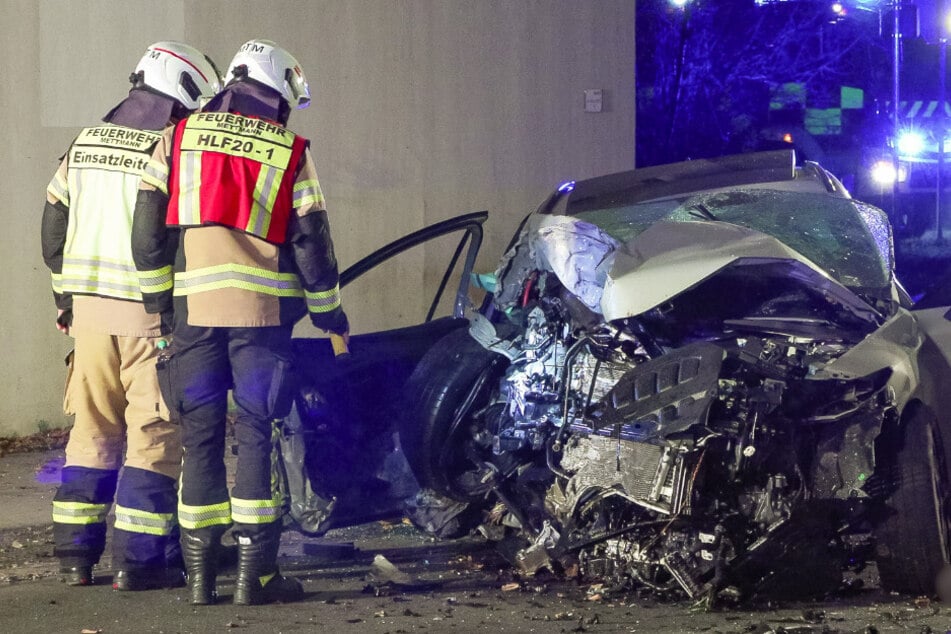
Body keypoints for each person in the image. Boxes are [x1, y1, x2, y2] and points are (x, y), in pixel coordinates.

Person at [131, 39, 349, 606]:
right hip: (262, 321)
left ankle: (202, 580)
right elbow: (312, 240)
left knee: (200, 439)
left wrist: (161, 307)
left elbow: (148, 230)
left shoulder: (176, 138)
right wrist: (328, 311)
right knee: (257, 435)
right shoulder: (289, 149)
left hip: (194, 321)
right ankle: (258, 579)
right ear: (279, 90)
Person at [40, 42, 222, 590]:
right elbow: (170, 239)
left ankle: (75, 556)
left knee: (91, 432)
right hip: (149, 322)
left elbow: (53, 235)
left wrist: (66, 301)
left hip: (89, 319)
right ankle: (139, 563)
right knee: (153, 435)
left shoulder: (84, 142)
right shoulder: (171, 148)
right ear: (185, 92)